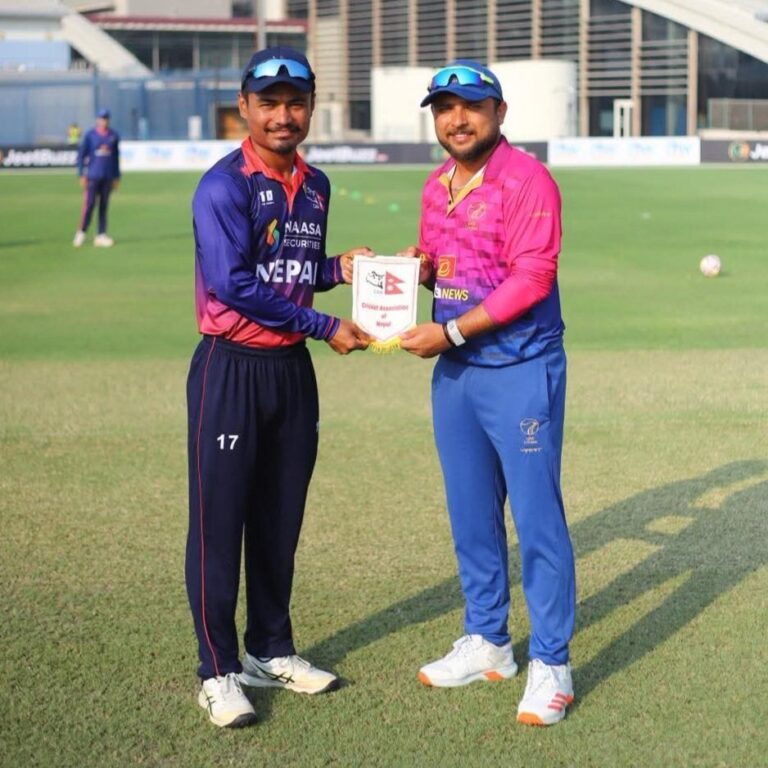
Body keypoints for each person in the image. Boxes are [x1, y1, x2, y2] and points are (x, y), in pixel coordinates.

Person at [186, 46, 372, 729]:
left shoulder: (315, 184)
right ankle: (218, 670)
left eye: (295, 102)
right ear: (246, 108)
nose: (283, 115)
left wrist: (338, 268)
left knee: (279, 521)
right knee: (219, 524)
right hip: (230, 368)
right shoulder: (223, 186)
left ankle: (270, 649)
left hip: (291, 373)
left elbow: (287, 269)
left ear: (311, 108)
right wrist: (326, 323)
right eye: (269, 103)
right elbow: (234, 283)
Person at [398, 60, 576, 727]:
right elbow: (441, 265)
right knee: (472, 516)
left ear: (498, 113)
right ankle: (490, 642)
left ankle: (552, 661)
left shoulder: (527, 180)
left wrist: (449, 330)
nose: (456, 119)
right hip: (458, 374)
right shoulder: (435, 185)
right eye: (444, 108)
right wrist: (404, 273)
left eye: (470, 106)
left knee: (537, 521)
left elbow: (531, 279)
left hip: (520, 368)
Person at [72, 109, 120, 247]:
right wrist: (81, 174)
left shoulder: (114, 136)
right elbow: (81, 156)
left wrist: (116, 177)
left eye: (105, 118)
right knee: (89, 205)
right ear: (97, 120)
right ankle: (81, 232)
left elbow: (116, 157)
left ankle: (101, 234)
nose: (103, 121)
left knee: (104, 206)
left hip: (107, 176)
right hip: (93, 176)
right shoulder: (90, 135)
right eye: (101, 118)